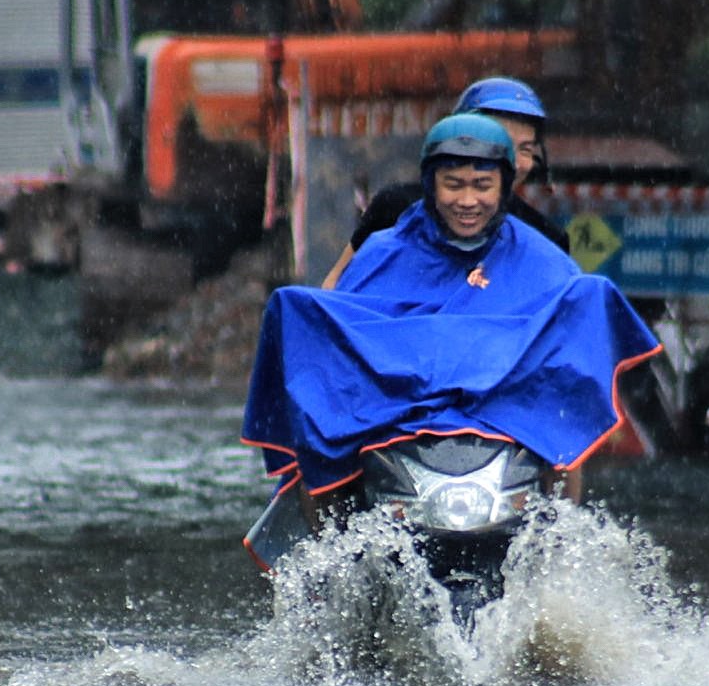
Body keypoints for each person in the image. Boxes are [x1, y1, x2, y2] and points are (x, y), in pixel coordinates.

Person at [242, 113, 660, 521]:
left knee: (565, 441)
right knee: (316, 435)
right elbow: (347, 325)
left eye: (482, 185)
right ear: (430, 185)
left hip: (505, 414)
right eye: (453, 185)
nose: (467, 201)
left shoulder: (542, 255)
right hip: (395, 416)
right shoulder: (384, 249)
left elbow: (565, 349)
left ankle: (559, 541)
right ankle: (328, 559)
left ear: (503, 189)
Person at [319, 75, 568, 290]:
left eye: (525, 149)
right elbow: (336, 291)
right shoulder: (395, 209)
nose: (513, 162)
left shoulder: (545, 239)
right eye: (498, 143)